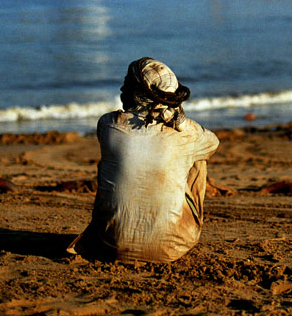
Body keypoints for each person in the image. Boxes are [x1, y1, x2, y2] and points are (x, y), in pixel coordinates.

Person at [67, 57, 220, 263]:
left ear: (139, 92)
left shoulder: (108, 124)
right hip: (171, 249)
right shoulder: (187, 134)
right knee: (198, 157)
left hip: (110, 245)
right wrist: (181, 123)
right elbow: (213, 143)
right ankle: (168, 233)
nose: (122, 89)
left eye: (128, 85)